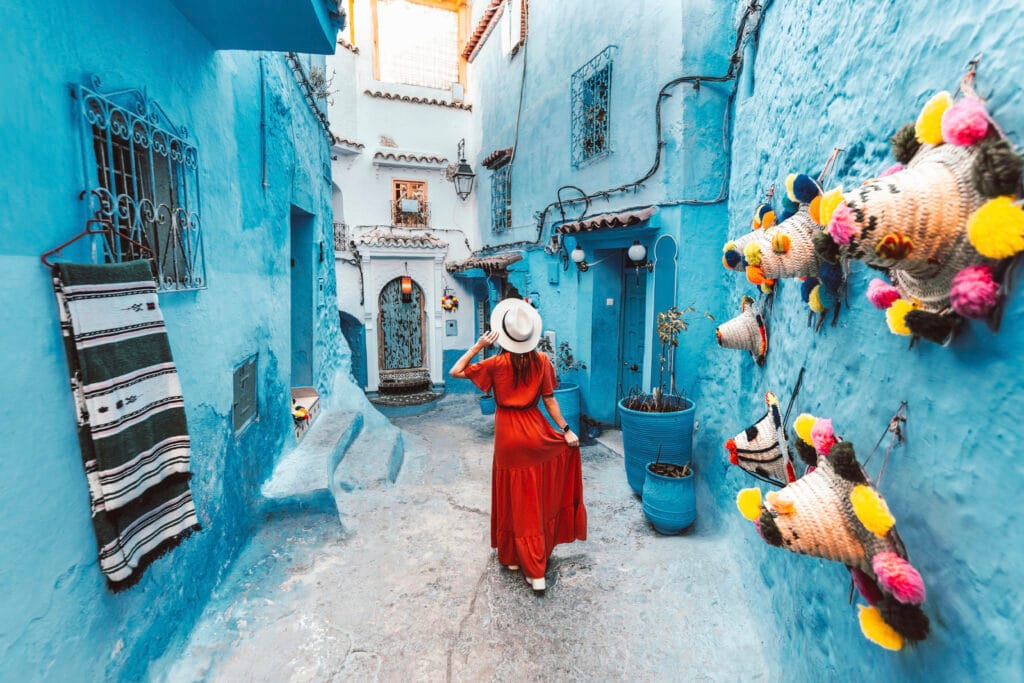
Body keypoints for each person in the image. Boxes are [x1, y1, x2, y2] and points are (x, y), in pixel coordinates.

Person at [449, 298, 587, 591]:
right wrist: (565, 430)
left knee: (513, 494)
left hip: (508, 436)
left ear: (503, 334)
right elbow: (549, 400)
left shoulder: (496, 363)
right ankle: (532, 565)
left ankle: (518, 559)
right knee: (533, 495)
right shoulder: (542, 362)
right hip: (535, 430)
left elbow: (456, 372)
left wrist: (477, 347)